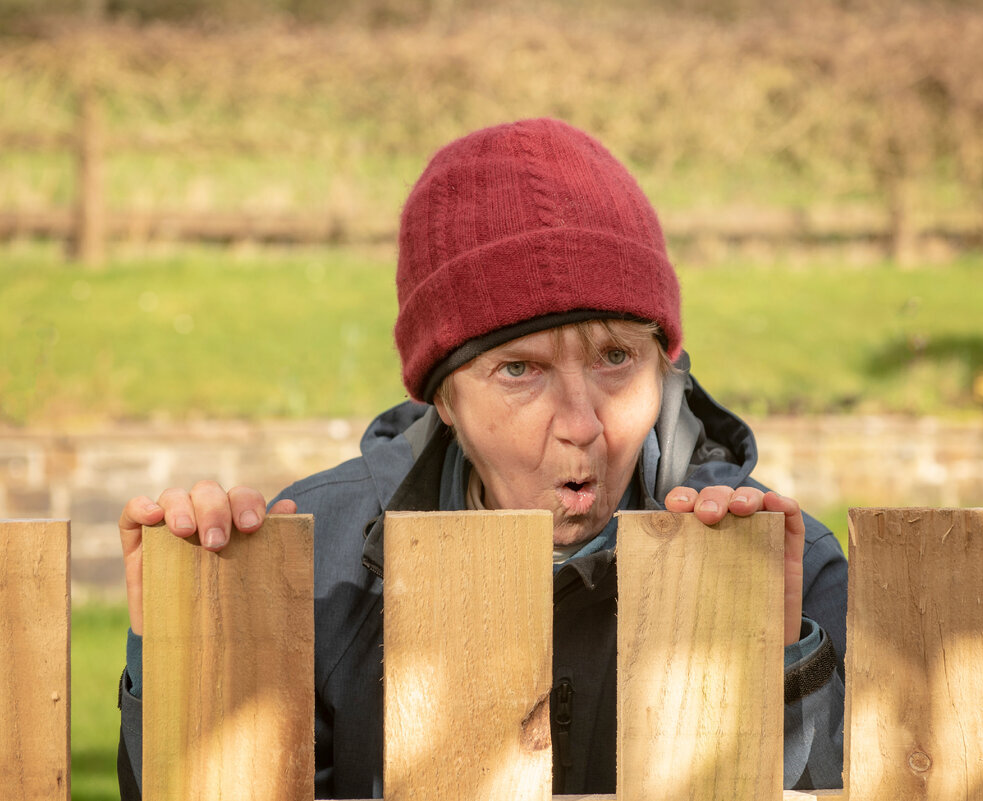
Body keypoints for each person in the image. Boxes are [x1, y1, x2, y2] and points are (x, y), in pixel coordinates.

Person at [114, 117, 848, 799]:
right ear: (443, 398)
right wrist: (181, 660)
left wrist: (786, 673)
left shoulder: (788, 567)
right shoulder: (315, 560)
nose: (581, 423)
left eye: (616, 357)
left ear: (666, 366)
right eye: (519, 370)